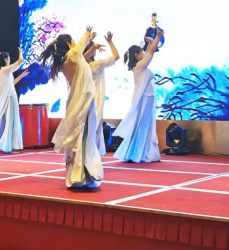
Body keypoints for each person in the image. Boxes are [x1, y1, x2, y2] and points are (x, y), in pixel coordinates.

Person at [41, 28, 104, 188]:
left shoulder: (67, 61)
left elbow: (83, 58)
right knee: (84, 137)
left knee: (80, 138)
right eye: (73, 41)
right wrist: (87, 35)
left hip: (77, 101)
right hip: (83, 101)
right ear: (70, 43)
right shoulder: (73, 55)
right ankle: (82, 176)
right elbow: (81, 48)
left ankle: (78, 176)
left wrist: (92, 47)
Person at [113, 29, 163, 163]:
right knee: (143, 126)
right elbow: (150, 53)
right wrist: (158, 38)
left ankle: (139, 152)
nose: (144, 53)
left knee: (145, 125)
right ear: (136, 55)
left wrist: (150, 42)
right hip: (145, 98)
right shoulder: (140, 66)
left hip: (147, 98)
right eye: (141, 52)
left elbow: (148, 52)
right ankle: (139, 153)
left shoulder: (139, 66)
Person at [0, 49, 29, 153]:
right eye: (9, 58)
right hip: (9, 98)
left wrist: (21, 76)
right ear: (5, 59)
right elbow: (20, 61)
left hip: (9, 97)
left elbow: (12, 83)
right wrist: (20, 53)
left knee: (5, 122)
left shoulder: (2, 71)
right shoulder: (4, 69)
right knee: (10, 122)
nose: (9, 60)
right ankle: (8, 147)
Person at [83, 32, 120, 155]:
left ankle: (90, 152)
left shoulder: (81, 66)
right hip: (95, 98)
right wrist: (110, 42)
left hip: (84, 98)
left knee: (89, 127)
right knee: (94, 126)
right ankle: (91, 153)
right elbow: (116, 56)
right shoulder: (96, 65)